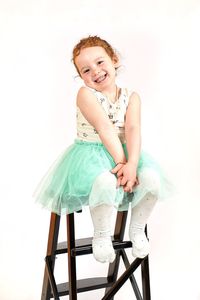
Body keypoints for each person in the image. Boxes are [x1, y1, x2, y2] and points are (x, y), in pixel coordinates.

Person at [33, 35, 173, 263]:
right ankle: (102, 235)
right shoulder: (86, 94)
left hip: (127, 155)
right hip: (91, 155)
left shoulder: (131, 96)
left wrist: (133, 163)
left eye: (100, 62)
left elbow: (133, 129)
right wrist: (122, 165)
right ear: (81, 77)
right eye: (86, 70)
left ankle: (137, 229)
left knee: (152, 179)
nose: (95, 71)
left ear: (114, 59)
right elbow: (104, 128)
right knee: (105, 182)